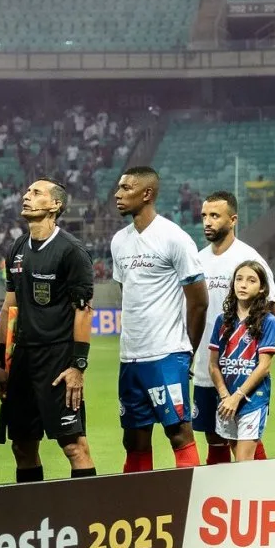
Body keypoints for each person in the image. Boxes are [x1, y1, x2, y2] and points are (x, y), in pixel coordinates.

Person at [0, 179, 96, 482]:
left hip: (58, 359)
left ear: (55, 205)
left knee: (74, 446)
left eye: (36, 193)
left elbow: (84, 312)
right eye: (26, 192)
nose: (26, 196)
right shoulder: (18, 247)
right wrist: (0, 361)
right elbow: (9, 308)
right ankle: (32, 521)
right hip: (23, 358)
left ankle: (85, 519)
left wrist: (78, 366)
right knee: (22, 446)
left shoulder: (71, 251)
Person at [109, 166, 208, 472]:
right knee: (134, 439)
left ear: (147, 193)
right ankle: (139, 507)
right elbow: (128, 292)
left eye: (126, 188)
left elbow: (199, 301)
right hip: (131, 356)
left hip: (166, 354)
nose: (118, 194)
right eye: (119, 187)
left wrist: (186, 351)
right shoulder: (118, 241)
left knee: (178, 432)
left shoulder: (173, 238)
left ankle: (194, 503)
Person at [192, 191, 271, 465]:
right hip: (209, 367)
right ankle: (219, 499)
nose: (207, 222)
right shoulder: (197, 260)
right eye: (204, 216)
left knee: (245, 440)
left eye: (215, 216)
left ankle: (261, 493)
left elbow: (268, 313)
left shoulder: (249, 259)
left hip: (242, 372)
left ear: (233, 219)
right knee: (214, 437)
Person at [207, 261, 275, 461]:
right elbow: (213, 364)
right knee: (242, 462)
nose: (243, 285)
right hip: (226, 401)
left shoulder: (268, 321)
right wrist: (225, 396)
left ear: (262, 287)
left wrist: (236, 397)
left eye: (251, 280)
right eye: (239, 279)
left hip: (251, 400)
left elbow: (264, 367)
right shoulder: (222, 321)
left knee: (242, 463)